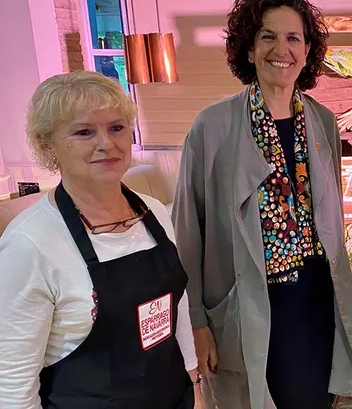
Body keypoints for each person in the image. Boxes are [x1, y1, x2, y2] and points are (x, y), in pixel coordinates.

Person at [172, 0, 352, 409]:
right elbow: (188, 233)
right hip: (248, 306)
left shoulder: (322, 121)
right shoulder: (213, 127)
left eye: (293, 38)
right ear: (249, 49)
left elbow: (329, 217)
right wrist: (196, 322)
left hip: (314, 302)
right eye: (268, 37)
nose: (282, 49)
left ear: (307, 50)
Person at [0, 71, 203, 408]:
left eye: (117, 127)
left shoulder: (153, 211)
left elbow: (174, 307)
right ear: (47, 144)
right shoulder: (29, 243)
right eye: (84, 132)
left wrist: (194, 379)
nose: (106, 143)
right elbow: (13, 382)